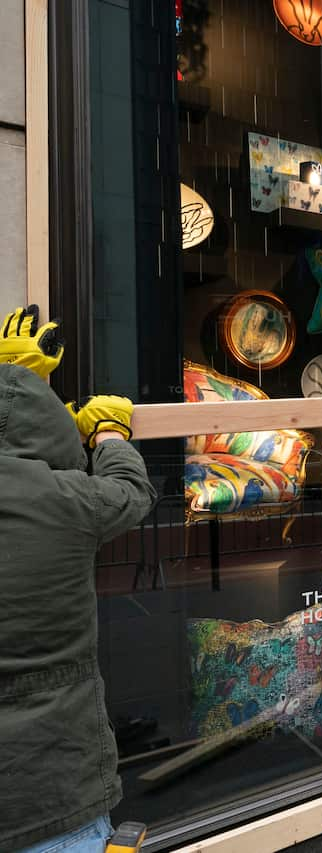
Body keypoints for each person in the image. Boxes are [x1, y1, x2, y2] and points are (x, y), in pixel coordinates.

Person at [0, 306, 156, 852]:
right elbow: (132, 493)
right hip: (59, 793)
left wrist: (17, 385)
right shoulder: (67, 500)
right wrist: (110, 435)